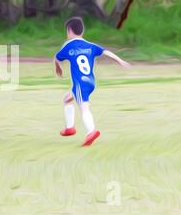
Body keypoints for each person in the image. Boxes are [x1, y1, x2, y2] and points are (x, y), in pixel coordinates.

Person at [55, 17, 130, 146]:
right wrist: (120, 61)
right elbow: (106, 52)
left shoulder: (69, 46)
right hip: (90, 82)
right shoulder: (90, 45)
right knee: (67, 98)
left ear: (69, 31)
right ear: (82, 31)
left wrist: (58, 68)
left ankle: (91, 131)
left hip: (80, 84)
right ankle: (69, 128)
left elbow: (57, 57)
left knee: (84, 107)